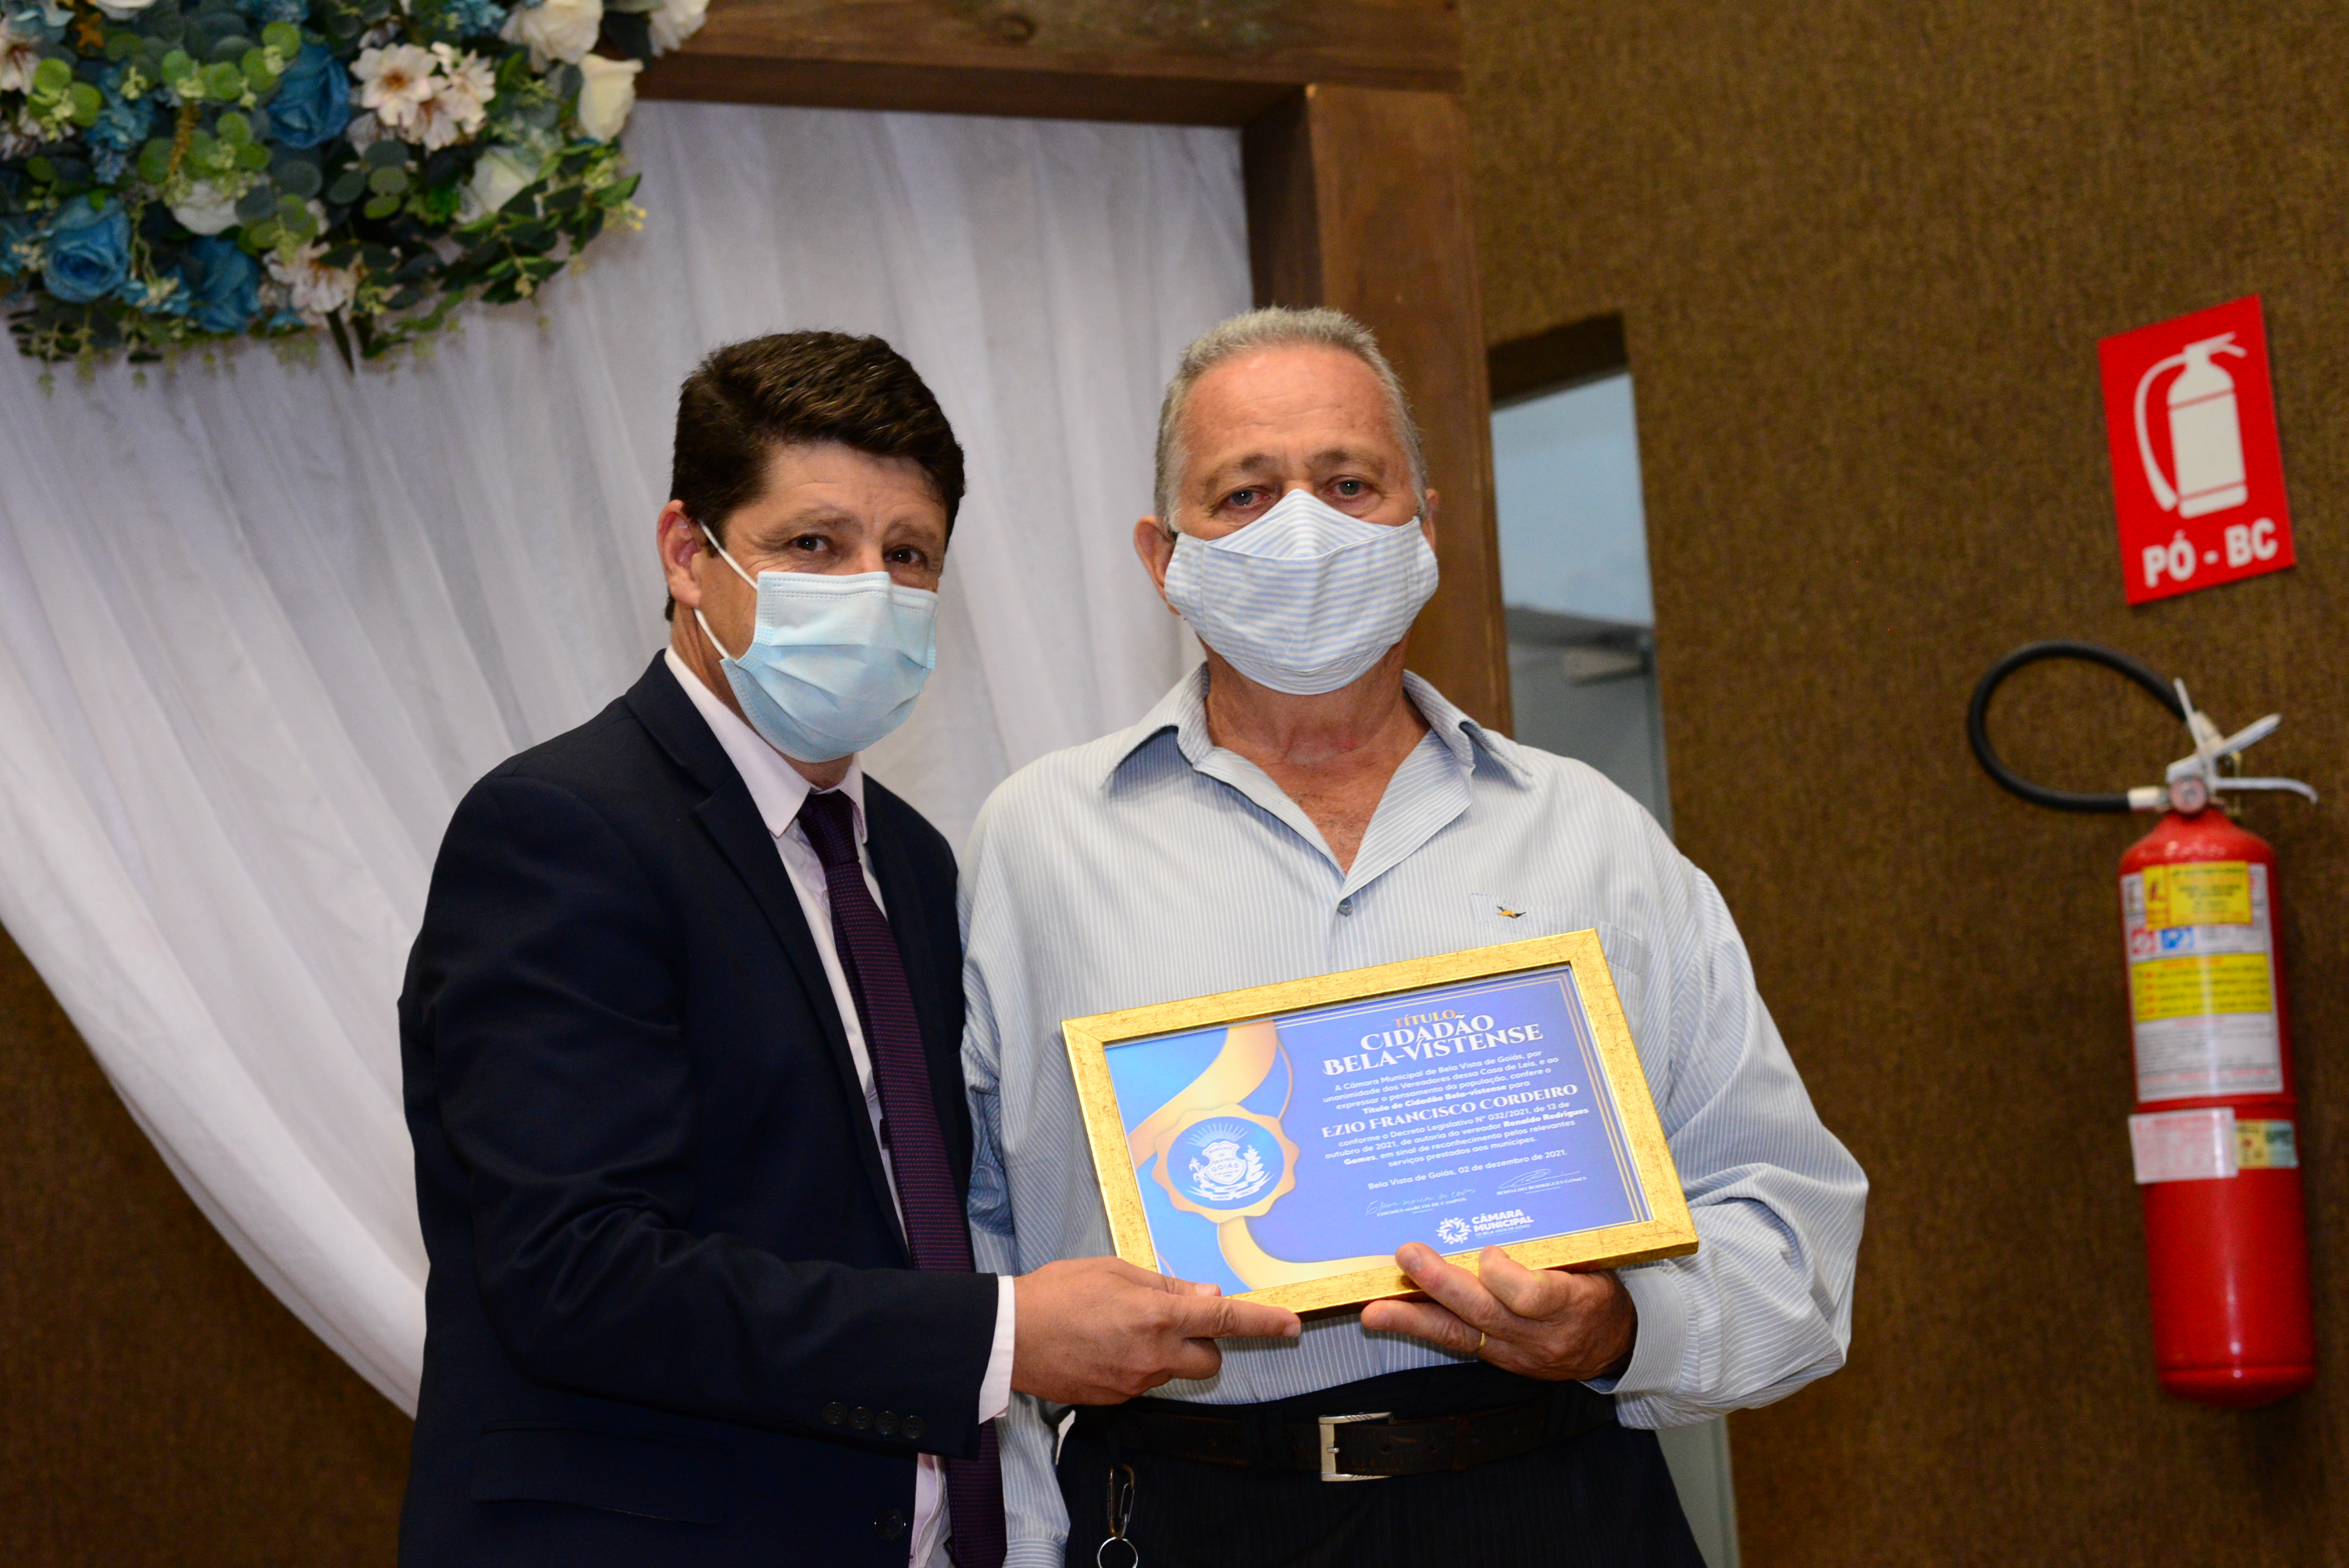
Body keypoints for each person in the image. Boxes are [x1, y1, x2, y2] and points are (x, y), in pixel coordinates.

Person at [959, 307, 1868, 1566]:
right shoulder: (1038, 843)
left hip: (1556, 1496)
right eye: (1245, 493)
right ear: (1163, 556)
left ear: (1424, 528)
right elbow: (969, 1248)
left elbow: (1791, 1228)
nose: (1304, 531)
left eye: (1349, 484)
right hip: (1186, 1511)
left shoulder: (1591, 836)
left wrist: (1621, 1327)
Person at [397, 331, 1298, 1568]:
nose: (870, 588)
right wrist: (1003, 1337)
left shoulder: (912, 863)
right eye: (814, 545)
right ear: (688, 553)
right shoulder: (563, 829)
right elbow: (580, 1275)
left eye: (908, 555)